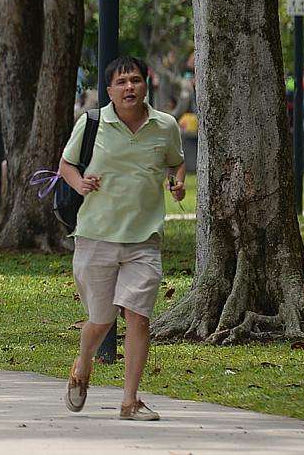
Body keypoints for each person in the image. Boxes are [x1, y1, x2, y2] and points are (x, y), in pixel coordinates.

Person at [58, 56, 185, 422]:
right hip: (96, 236)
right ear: (110, 90)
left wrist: (177, 181)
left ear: (147, 84)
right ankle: (83, 363)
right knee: (100, 319)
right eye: (121, 82)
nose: (130, 87)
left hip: (144, 238)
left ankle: (130, 401)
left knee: (138, 318)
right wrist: (79, 182)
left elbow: (176, 161)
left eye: (136, 80)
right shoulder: (93, 123)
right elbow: (67, 164)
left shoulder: (165, 126)